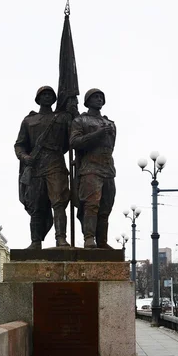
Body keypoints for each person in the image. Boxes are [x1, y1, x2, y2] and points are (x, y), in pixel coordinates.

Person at [14, 86, 74, 249]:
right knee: (36, 205)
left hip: (56, 163)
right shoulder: (29, 121)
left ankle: (61, 238)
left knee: (59, 202)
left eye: (50, 94)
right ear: (38, 98)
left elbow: (74, 138)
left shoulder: (62, 119)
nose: (47, 97)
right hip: (35, 166)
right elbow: (19, 145)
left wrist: (72, 108)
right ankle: (36, 241)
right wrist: (25, 157)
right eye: (44, 94)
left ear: (55, 99)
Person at [69, 88, 116, 249]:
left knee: (106, 206)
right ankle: (89, 238)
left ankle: (102, 240)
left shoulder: (111, 123)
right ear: (87, 101)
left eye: (101, 97)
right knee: (91, 204)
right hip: (90, 168)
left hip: (108, 169)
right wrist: (98, 134)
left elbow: (111, 147)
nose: (99, 99)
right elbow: (75, 142)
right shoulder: (80, 121)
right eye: (95, 97)